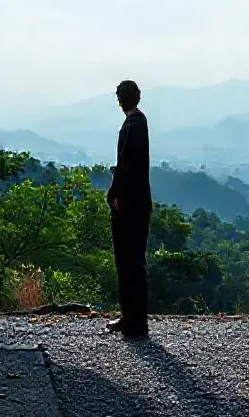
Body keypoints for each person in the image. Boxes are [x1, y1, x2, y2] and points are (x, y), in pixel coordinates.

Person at [105, 79, 151, 338]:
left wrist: (115, 193)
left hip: (129, 205)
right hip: (138, 202)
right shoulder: (138, 123)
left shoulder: (133, 125)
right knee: (132, 263)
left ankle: (135, 323)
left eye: (121, 96)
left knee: (128, 262)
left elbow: (126, 163)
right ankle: (132, 319)